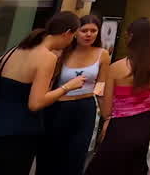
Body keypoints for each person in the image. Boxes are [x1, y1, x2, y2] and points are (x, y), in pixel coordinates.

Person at [0, 12, 86, 175]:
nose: (71, 41)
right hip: (19, 133)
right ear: (67, 33)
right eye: (74, 36)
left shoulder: (16, 50)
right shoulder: (47, 58)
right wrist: (67, 87)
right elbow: (35, 103)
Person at [86, 18, 150, 175]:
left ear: (130, 37)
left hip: (120, 128)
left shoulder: (116, 68)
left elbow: (106, 111)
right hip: (147, 127)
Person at [39, 14, 110, 175]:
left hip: (85, 108)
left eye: (93, 31)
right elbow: (49, 83)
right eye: (84, 30)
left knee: (76, 157)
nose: (89, 34)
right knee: (50, 155)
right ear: (75, 32)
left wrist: (107, 117)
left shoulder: (102, 54)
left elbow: (101, 87)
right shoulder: (61, 53)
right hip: (58, 107)